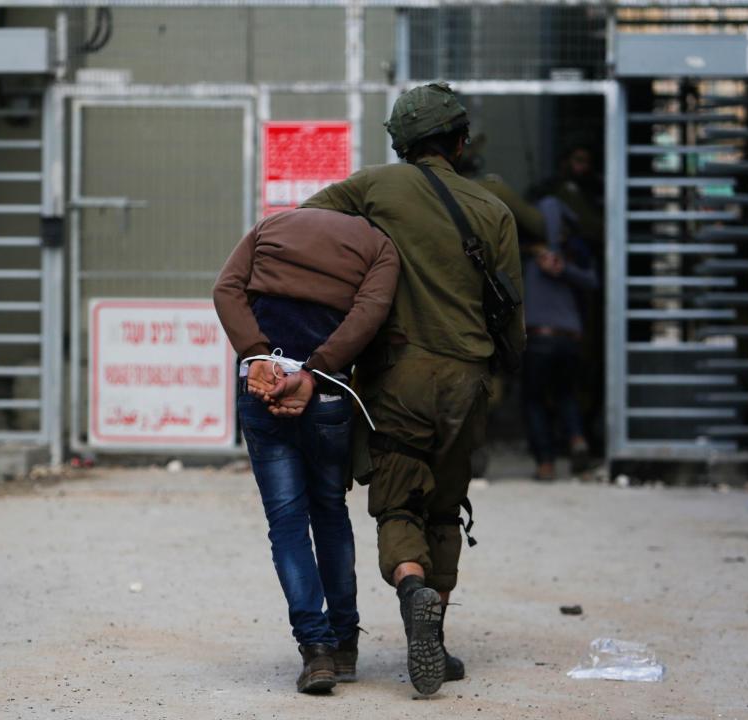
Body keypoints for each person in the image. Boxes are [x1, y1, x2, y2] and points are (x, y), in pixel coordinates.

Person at [302, 82, 525, 696]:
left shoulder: (374, 186)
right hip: (466, 377)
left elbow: (302, 226)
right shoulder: (493, 209)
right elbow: (512, 317)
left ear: (401, 142)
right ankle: (436, 636)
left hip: (397, 375)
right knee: (445, 508)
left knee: (398, 501)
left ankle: (410, 585)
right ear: (459, 141)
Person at [213, 207, 399, 693]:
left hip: (260, 388)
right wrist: (314, 372)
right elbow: (369, 314)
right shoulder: (378, 245)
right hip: (328, 396)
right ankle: (343, 646)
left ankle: (314, 650)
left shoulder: (270, 227)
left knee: (287, 522)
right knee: (330, 513)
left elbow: (226, 289)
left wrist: (256, 355)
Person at [521, 195, 599, 480]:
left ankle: (545, 464)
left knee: (534, 400)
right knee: (567, 395)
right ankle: (577, 439)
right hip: (570, 338)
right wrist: (564, 269)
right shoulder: (574, 253)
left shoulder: (526, 255)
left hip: (539, 337)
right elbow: (592, 282)